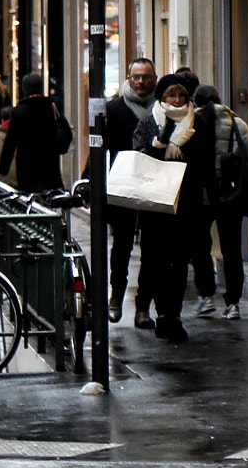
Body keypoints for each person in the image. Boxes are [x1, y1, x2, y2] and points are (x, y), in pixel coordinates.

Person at [132, 73, 215, 342]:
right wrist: (161, 141)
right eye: (171, 95)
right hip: (155, 204)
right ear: (161, 97)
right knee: (156, 261)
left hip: (185, 203)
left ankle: (173, 315)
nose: (177, 100)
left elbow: (205, 162)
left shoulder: (198, 123)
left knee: (179, 262)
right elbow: (139, 157)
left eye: (181, 95)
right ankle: (160, 312)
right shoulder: (150, 121)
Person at [91, 57, 157, 324]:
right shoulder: (113, 108)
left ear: (154, 79)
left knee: (152, 250)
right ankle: (116, 297)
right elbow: (99, 149)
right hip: (122, 185)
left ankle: (143, 307)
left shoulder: (162, 108)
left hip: (154, 185)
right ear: (128, 79)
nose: (141, 82)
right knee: (121, 247)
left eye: (146, 77)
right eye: (136, 77)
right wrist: (90, 183)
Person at [198, 83, 248, 319]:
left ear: (197, 102)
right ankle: (232, 303)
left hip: (202, 194)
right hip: (230, 194)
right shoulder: (236, 122)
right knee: (232, 249)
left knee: (200, 246)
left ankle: (206, 297)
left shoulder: (193, 123)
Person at [0, 72, 72, 194]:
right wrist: (58, 148)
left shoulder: (18, 112)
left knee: (30, 204)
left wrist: (2, 170)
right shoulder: (51, 107)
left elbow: (10, 143)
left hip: (27, 169)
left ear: (25, 90)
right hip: (49, 167)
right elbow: (66, 133)